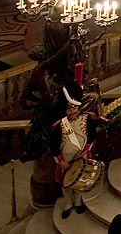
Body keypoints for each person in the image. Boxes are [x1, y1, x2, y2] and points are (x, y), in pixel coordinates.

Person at [53, 89, 98, 219]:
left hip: (82, 156)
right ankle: (67, 204)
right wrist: (61, 162)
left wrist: (86, 150)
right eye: (69, 110)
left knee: (79, 180)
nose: (72, 112)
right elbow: (54, 146)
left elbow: (92, 136)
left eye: (74, 109)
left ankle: (78, 202)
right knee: (66, 183)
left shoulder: (86, 118)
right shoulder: (59, 125)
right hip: (65, 160)